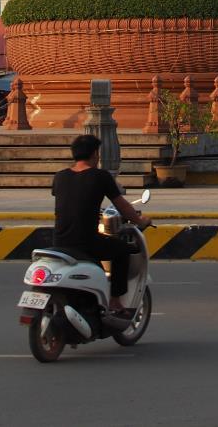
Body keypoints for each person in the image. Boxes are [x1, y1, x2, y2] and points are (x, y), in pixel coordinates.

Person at [52, 134, 151, 313]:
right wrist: (140, 220)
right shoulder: (100, 176)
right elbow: (122, 206)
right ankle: (115, 301)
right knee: (123, 251)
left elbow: (73, 200)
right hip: (86, 243)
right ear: (94, 154)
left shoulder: (60, 177)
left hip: (59, 242)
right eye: (97, 153)